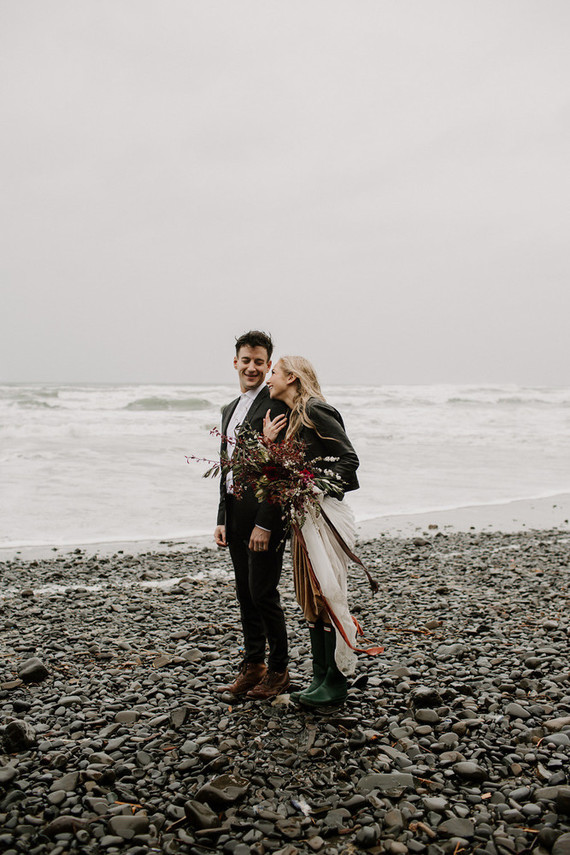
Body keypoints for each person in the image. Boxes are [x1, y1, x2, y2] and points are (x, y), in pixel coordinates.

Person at [264, 355, 369, 707]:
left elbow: (349, 459)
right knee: (310, 595)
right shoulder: (294, 418)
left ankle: (336, 681)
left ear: (292, 377)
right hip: (303, 516)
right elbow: (286, 471)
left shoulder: (315, 410)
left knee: (327, 590)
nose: (268, 378)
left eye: (273, 372)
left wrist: (316, 487)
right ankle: (319, 676)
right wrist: (269, 444)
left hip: (325, 514)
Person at [215, 331, 291, 700]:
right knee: (245, 593)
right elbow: (225, 465)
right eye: (246, 360)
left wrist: (266, 521)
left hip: (264, 516)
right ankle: (253, 665)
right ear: (235, 362)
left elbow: (280, 468)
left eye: (259, 362)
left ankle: (278, 671)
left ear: (268, 365)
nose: (252, 367)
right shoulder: (229, 409)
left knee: (264, 593)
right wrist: (221, 516)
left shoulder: (276, 405)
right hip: (235, 514)